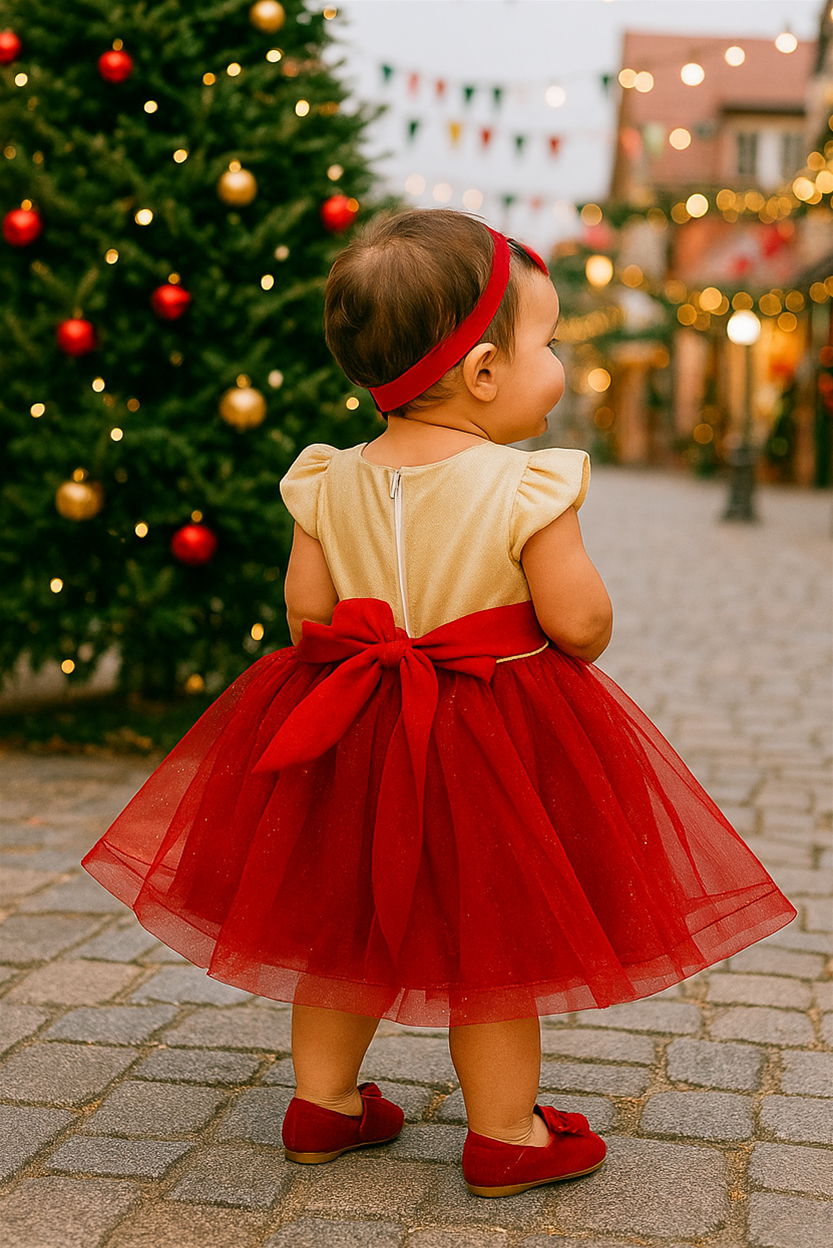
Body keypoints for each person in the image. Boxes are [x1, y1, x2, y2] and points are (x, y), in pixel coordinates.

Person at [82, 208, 797, 1199]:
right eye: (546, 343)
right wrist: (557, 619)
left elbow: (304, 617)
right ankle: (505, 1133)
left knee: (338, 924)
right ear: (484, 374)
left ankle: (323, 1106)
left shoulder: (325, 479)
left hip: (355, 731)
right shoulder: (524, 486)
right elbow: (579, 623)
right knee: (488, 930)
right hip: (489, 733)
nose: (556, 364)